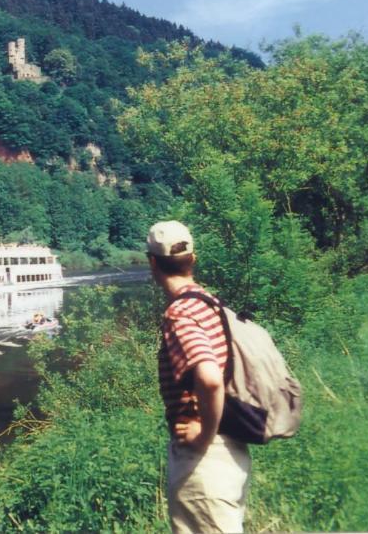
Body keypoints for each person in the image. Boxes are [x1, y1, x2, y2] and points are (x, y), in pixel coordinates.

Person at [147, 220, 250, 533]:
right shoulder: (209, 303)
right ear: (193, 259)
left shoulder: (180, 313)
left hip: (205, 461)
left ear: (152, 263)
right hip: (230, 452)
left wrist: (204, 434)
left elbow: (209, 377)